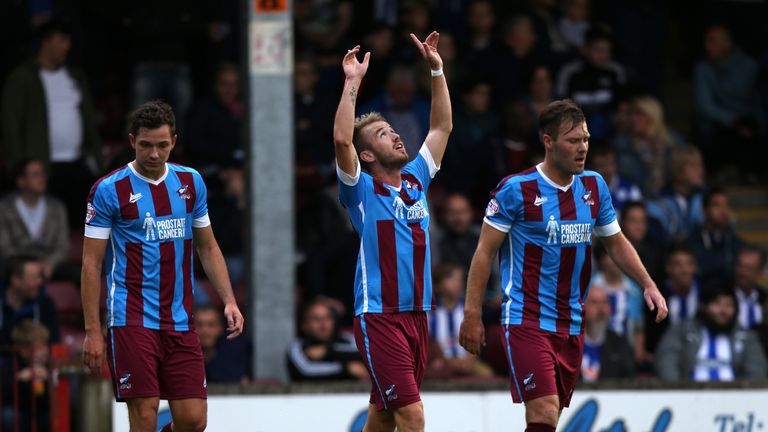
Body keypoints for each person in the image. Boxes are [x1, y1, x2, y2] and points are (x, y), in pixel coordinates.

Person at [459, 100, 666, 432]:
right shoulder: (516, 190)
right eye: (573, 141)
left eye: (585, 139)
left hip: (571, 322)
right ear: (548, 141)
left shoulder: (594, 186)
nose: (583, 148)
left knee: (549, 420)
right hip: (527, 318)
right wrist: (471, 315)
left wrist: (648, 284)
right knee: (543, 409)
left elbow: (615, 241)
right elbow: (483, 253)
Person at [80, 101, 244, 432]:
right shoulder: (109, 190)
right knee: (145, 414)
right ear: (131, 142)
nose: (154, 154)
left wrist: (228, 300)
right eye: (145, 145)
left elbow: (207, 245)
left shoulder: (191, 182)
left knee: (193, 421)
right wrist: (93, 330)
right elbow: (90, 263)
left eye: (162, 145)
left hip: (180, 318)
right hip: (131, 316)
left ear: (174, 141)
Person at [333, 31, 452, 432]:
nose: (397, 135)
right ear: (366, 155)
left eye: (393, 130)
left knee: (382, 417)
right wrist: (353, 82)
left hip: (418, 317)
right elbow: (339, 140)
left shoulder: (416, 179)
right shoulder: (361, 191)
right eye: (383, 134)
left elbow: (441, 128)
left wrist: (436, 70)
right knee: (412, 415)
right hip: (379, 318)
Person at [0, 20, 101, 229]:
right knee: (43, 232)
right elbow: (10, 125)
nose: (67, 46)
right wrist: (19, 167)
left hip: (77, 165)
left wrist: (95, 157)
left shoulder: (75, 77)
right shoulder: (22, 78)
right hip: (42, 168)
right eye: (62, 40)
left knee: (83, 229)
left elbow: (89, 122)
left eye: (69, 41)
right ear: (46, 42)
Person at [656, 286, 767, 381]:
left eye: (729, 305)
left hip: (736, 402)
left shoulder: (748, 338)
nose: (723, 310)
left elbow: (756, 372)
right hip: (688, 399)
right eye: (717, 303)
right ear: (703, 306)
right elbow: (666, 364)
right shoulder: (681, 331)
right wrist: (676, 393)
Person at [0, 159, 69, 281]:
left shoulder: (56, 206)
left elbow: (62, 245)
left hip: (50, 265)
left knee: (79, 273)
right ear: (21, 181)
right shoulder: (5, 207)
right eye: (36, 175)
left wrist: (49, 264)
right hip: (16, 265)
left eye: (43, 174)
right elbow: (4, 246)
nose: (42, 178)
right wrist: (26, 266)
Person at [286, 299, 367, 382]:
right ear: (304, 325)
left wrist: (327, 352)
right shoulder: (296, 346)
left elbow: (365, 354)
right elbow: (305, 371)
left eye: (328, 317)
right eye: (316, 319)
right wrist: (345, 368)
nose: (323, 324)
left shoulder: (348, 339)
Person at [0, 255, 60, 346]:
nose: (40, 282)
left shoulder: (45, 304)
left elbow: (55, 343)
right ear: (16, 280)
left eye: (40, 277)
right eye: (34, 277)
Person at [688, 188, 743, 285]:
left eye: (727, 205)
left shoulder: (736, 244)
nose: (723, 211)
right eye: (716, 205)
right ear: (704, 210)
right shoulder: (690, 244)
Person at [580, 285, 635, 382]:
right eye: (594, 302)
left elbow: (629, 379)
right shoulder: (570, 342)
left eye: (605, 302)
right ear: (582, 307)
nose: (601, 309)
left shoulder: (619, 343)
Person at [195, 305, 251, 384]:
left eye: (211, 325)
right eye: (200, 325)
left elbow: (241, 382)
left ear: (220, 328)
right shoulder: (184, 356)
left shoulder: (233, 353)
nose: (205, 331)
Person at [732, 246, 767, 330]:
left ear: (760, 272)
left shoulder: (765, 299)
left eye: (749, 268)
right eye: (740, 266)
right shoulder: (723, 295)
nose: (742, 272)